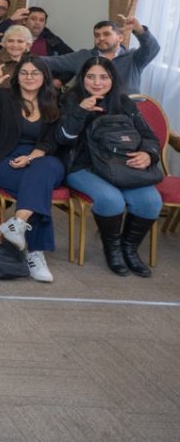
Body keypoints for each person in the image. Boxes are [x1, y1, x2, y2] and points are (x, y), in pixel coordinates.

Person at [56, 56, 162, 277]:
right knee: (111, 200)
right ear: (82, 78)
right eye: (91, 77)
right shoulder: (70, 99)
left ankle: (129, 249)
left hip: (123, 165)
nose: (97, 83)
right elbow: (63, 138)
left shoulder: (124, 102)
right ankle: (112, 250)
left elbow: (149, 136)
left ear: (113, 78)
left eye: (104, 77)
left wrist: (148, 154)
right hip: (83, 166)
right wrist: (80, 111)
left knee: (151, 201)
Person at [0, 60, 64, 282]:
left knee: (46, 169)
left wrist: (31, 157)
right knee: (38, 188)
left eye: (35, 73)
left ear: (44, 77)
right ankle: (35, 253)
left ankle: (18, 222)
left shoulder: (52, 101)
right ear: (17, 77)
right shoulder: (5, 96)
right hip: (3, 159)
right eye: (24, 73)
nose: (29, 77)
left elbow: (51, 141)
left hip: (38, 158)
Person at [40, 16, 160, 95]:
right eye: (97, 35)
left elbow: (153, 48)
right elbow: (49, 62)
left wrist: (139, 30)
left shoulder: (133, 58)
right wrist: (27, 54)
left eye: (106, 34)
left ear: (120, 38)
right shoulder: (82, 56)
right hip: (90, 113)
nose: (101, 38)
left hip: (125, 116)